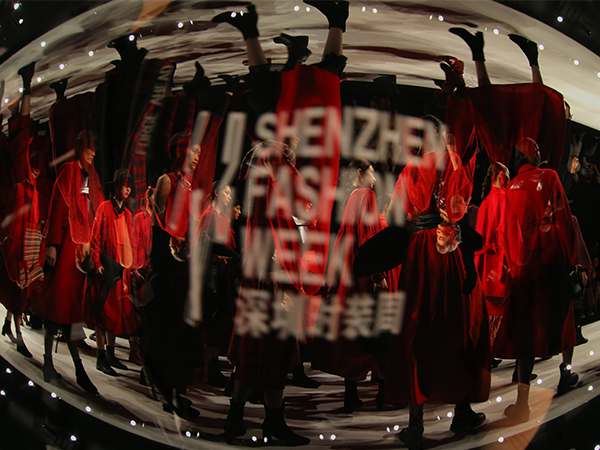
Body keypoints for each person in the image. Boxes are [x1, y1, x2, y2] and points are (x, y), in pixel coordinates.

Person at [215, 1, 346, 445]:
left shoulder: (277, 176)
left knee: (258, 350)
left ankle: (242, 419)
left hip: (265, 275)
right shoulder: (284, 175)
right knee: (267, 351)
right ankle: (265, 422)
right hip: (271, 277)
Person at [384, 117, 490, 449]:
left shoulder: (408, 171)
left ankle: (415, 424)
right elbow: (459, 206)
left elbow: (392, 217)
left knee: (417, 332)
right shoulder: (448, 162)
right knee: (456, 327)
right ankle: (462, 411)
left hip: (417, 253)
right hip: (444, 250)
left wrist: (416, 220)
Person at [493, 139, 579, 422]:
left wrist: (512, 267)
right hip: (551, 254)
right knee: (565, 317)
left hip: (524, 263)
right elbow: (564, 216)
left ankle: (523, 403)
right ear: (536, 154)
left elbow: (505, 231)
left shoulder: (510, 187)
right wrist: (573, 258)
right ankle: (566, 374)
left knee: (526, 331)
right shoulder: (549, 176)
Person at [29, 131, 102, 394]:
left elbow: (89, 212)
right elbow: (57, 205)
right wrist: (53, 244)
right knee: (57, 308)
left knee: (69, 310)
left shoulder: (87, 176)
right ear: (80, 148)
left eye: (94, 149)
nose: (93, 153)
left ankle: (73, 367)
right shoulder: (69, 170)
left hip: (77, 251)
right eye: (89, 148)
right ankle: (54, 363)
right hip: (64, 247)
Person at [312, 160, 389, 411]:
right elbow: (369, 236)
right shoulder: (366, 195)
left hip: (349, 274)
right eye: (371, 173)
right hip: (364, 275)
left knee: (353, 332)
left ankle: (351, 395)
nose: (374, 179)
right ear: (360, 173)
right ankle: (383, 394)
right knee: (376, 329)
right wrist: (378, 275)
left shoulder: (350, 198)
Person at [85, 169, 137, 377]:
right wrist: (96, 261)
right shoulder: (104, 207)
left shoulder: (128, 214)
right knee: (103, 313)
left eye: (129, 186)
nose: (127, 189)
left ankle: (110, 354)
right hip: (106, 267)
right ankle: (100, 357)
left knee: (115, 314)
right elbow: (95, 236)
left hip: (120, 271)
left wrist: (130, 269)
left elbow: (130, 243)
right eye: (124, 184)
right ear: (115, 186)